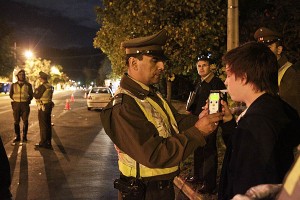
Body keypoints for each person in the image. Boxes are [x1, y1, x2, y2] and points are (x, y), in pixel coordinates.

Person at [100, 29, 223, 200]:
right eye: (155, 60)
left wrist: (200, 120)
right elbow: (155, 154)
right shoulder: (125, 105)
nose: (162, 66)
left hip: (159, 189)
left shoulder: (150, 95)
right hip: (144, 192)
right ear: (134, 63)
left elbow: (174, 121)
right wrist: (198, 132)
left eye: (162, 61)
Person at [217, 42, 300, 200]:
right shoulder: (278, 108)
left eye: (228, 75)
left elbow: (248, 183)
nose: (226, 82)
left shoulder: (256, 123)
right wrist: (229, 122)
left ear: (243, 77)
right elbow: (241, 151)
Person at [185, 53, 227, 194]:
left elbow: (220, 103)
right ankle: (197, 176)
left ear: (210, 67)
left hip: (210, 122)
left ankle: (209, 184)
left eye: (204, 65)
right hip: (198, 121)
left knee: (209, 151)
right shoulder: (200, 83)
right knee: (198, 149)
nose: (201, 68)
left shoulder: (215, 83)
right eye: (199, 66)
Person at [254, 27, 300, 116]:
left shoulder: (290, 74)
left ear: (279, 50)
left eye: (268, 48)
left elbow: (293, 114)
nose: (263, 52)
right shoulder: (260, 73)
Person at [9, 69, 33, 143]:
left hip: (25, 105)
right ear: (17, 76)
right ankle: (18, 137)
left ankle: (24, 137)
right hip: (16, 105)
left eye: (23, 74)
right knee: (16, 121)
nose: (22, 76)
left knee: (25, 121)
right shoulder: (13, 85)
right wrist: (15, 99)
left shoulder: (28, 85)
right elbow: (11, 94)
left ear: (24, 76)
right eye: (20, 74)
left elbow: (31, 95)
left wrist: (27, 100)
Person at [34, 71, 54, 149]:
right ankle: (48, 141)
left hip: (43, 107)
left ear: (41, 78)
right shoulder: (50, 86)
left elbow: (36, 95)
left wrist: (36, 89)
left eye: (39, 77)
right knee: (48, 124)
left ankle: (43, 142)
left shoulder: (42, 86)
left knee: (43, 125)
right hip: (48, 105)